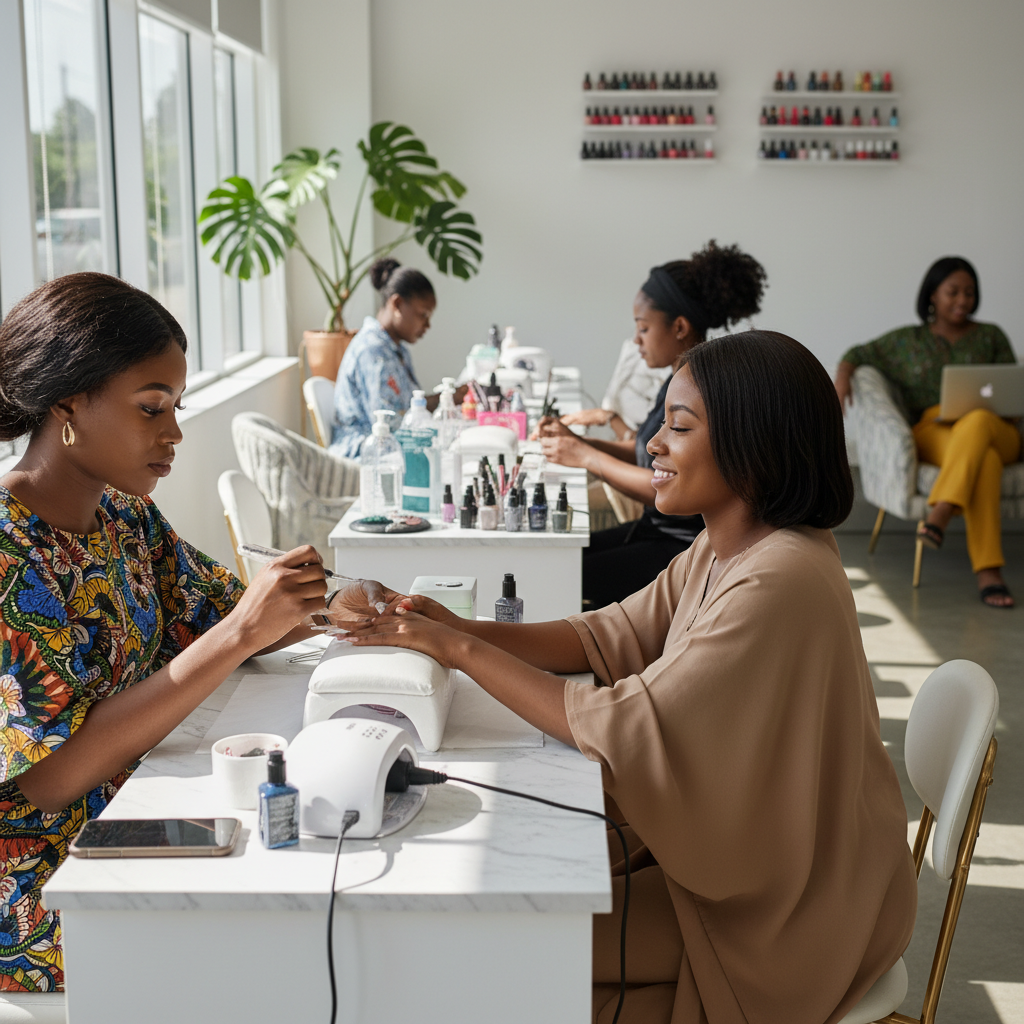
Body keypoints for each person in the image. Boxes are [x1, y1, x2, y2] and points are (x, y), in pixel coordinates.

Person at [344, 331, 917, 1024]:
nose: (653, 445)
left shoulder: (779, 577)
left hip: (788, 911)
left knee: (513, 948)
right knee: (522, 935)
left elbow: (620, 724)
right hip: (758, 865)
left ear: (754, 444)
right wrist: (457, 627)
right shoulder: (727, 543)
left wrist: (457, 651)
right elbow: (611, 633)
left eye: (679, 427)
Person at [0, 273, 387, 991]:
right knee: (302, 948)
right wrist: (241, 632)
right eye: (151, 409)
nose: (174, 434)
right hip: (47, 889)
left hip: (146, 814)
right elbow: (52, 781)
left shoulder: (125, 521)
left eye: (177, 407)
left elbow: (226, 616)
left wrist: (326, 607)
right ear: (67, 406)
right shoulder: (8, 554)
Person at [537, 241, 767, 608]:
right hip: (654, 530)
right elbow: (648, 452)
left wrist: (586, 457)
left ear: (679, 326)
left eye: (643, 328)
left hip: (682, 546)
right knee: (552, 562)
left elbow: (675, 481)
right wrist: (578, 443)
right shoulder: (678, 378)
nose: (636, 339)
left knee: (558, 576)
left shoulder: (701, 390)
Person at [835, 256, 1020, 607]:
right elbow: (857, 353)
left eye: (969, 292)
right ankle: (989, 573)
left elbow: (1012, 387)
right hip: (936, 431)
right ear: (932, 295)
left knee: (979, 422)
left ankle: (943, 508)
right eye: (953, 292)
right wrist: (842, 378)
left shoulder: (991, 336)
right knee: (987, 462)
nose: (963, 300)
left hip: (997, 427)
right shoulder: (908, 340)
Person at [331, 258, 464, 457]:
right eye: (423, 315)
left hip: (390, 448)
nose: (427, 326)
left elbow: (408, 408)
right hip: (366, 456)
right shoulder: (372, 353)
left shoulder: (395, 348)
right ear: (398, 304)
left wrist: (448, 398)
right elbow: (388, 425)